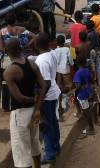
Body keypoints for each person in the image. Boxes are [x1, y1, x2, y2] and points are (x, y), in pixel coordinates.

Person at [3, 37, 47, 168]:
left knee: (22, 152)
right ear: (21, 48)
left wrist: (33, 100)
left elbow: (19, 98)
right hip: (34, 112)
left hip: (20, 114)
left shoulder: (9, 72)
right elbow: (44, 86)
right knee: (34, 143)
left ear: (7, 52)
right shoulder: (32, 64)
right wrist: (37, 106)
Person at [0, 12, 35, 111]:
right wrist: (26, 46)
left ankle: (7, 105)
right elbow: (35, 36)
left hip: (7, 60)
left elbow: (1, 49)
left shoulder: (2, 32)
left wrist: (9, 50)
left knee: (6, 83)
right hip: (21, 58)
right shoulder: (22, 30)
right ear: (15, 20)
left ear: (5, 21)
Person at [34, 34, 61, 165]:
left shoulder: (41, 61)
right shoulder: (51, 54)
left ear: (37, 45)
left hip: (47, 96)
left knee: (45, 126)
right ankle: (56, 146)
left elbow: (46, 83)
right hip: (53, 94)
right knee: (53, 122)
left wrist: (39, 103)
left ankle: (50, 153)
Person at [73, 57, 96, 138]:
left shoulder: (78, 73)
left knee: (86, 112)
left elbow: (78, 85)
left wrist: (75, 93)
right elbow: (91, 80)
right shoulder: (87, 70)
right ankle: (90, 126)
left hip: (82, 94)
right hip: (88, 91)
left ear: (77, 64)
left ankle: (91, 129)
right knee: (86, 109)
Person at [54, 34, 74, 119]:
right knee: (69, 86)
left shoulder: (55, 50)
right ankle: (68, 103)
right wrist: (72, 64)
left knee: (59, 87)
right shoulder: (67, 49)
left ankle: (60, 105)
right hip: (65, 70)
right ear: (64, 41)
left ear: (57, 42)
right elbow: (70, 60)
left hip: (58, 71)